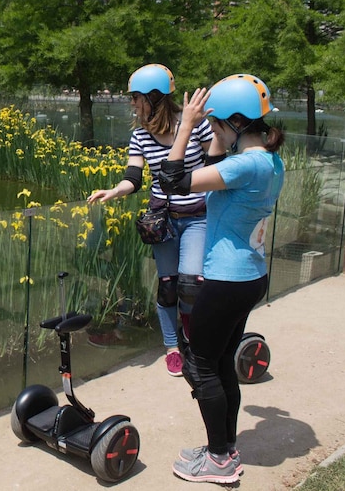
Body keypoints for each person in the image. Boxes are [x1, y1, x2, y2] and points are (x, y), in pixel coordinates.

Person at [159, 74, 285, 484]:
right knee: (221, 365)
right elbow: (216, 170)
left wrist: (186, 126)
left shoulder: (246, 163)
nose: (212, 133)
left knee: (201, 367)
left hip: (227, 279)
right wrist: (214, 128)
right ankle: (225, 447)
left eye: (217, 126)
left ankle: (218, 460)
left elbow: (173, 180)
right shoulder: (266, 160)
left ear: (238, 121)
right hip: (250, 275)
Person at [87, 64, 213, 377]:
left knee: (191, 284)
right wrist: (115, 190)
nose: (132, 104)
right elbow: (134, 177)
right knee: (168, 286)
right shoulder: (140, 136)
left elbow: (217, 165)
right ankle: (172, 347)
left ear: (154, 98)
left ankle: (189, 334)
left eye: (136, 98)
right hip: (162, 219)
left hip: (197, 216)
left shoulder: (195, 125)